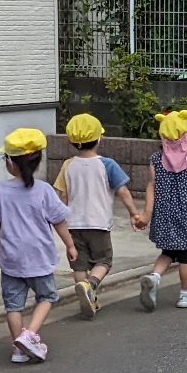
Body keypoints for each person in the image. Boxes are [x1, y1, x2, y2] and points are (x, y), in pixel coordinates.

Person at [0, 128, 77, 362]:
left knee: (13, 304)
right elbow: (59, 221)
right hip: (39, 257)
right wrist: (70, 245)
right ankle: (30, 335)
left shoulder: (1, 191)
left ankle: (18, 350)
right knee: (47, 297)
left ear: (10, 162)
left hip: (11, 257)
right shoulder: (44, 190)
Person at [55, 113, 143, 317]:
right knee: (104, 261)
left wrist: (60, 219)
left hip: (73, 224)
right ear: (99, 138)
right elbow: (123, 191)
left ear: (70, 141)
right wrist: (133, 213)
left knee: (79, 263)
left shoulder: (67, 165)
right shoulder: (108, 164)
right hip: (99, 223)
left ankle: (85, 296)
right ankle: (91, 285)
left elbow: (62, 196)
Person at [140, 111, 187, 310]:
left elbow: (151, 186)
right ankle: (186, 293)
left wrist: (147, 213)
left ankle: (155, 277)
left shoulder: (156, 159)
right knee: (186, 255)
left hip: (164, 213)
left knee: (168, 251)